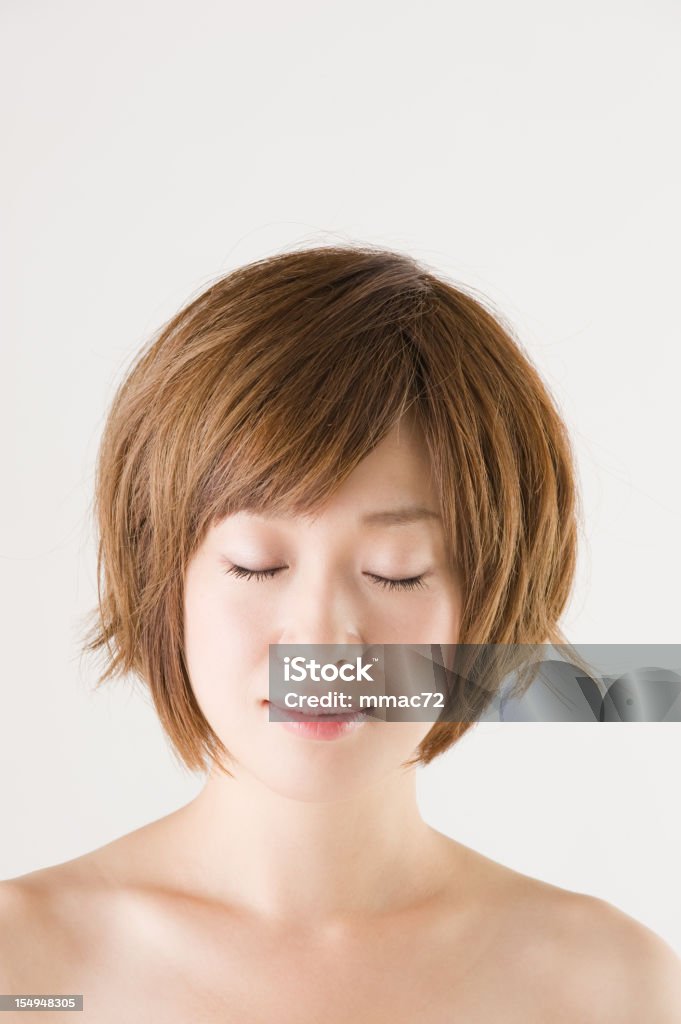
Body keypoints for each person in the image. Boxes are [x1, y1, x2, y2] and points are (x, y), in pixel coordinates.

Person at [1, 244, 680, 1021]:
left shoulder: (609, 988)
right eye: (256, 565)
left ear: (491, 598)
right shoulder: (22, 968)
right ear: (163, 580)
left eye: (396, 571)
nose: (321, 642)